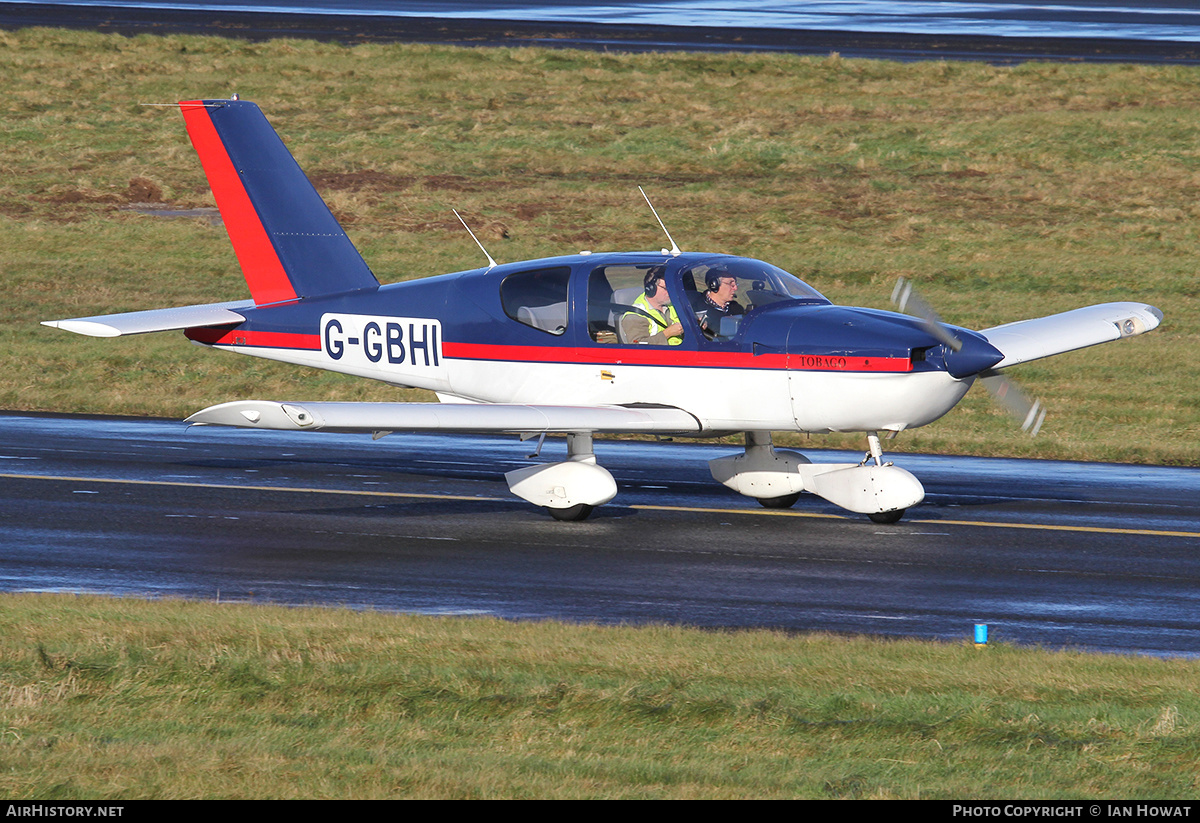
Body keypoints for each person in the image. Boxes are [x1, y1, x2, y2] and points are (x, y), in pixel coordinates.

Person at [621, 269, 684, 345]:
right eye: (666, 288)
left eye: (672, 288)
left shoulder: (675, 304)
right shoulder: (634, 316)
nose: (671, 291)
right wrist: (667, 334)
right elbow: (637, 346)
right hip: (661, 356)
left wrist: (695, 324)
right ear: (651, 289)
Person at [696, 266, 744, 339]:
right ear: (714, 285)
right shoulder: (696, 308)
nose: (735, 288)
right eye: (731, 284)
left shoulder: (737, 308)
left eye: (735, 284)